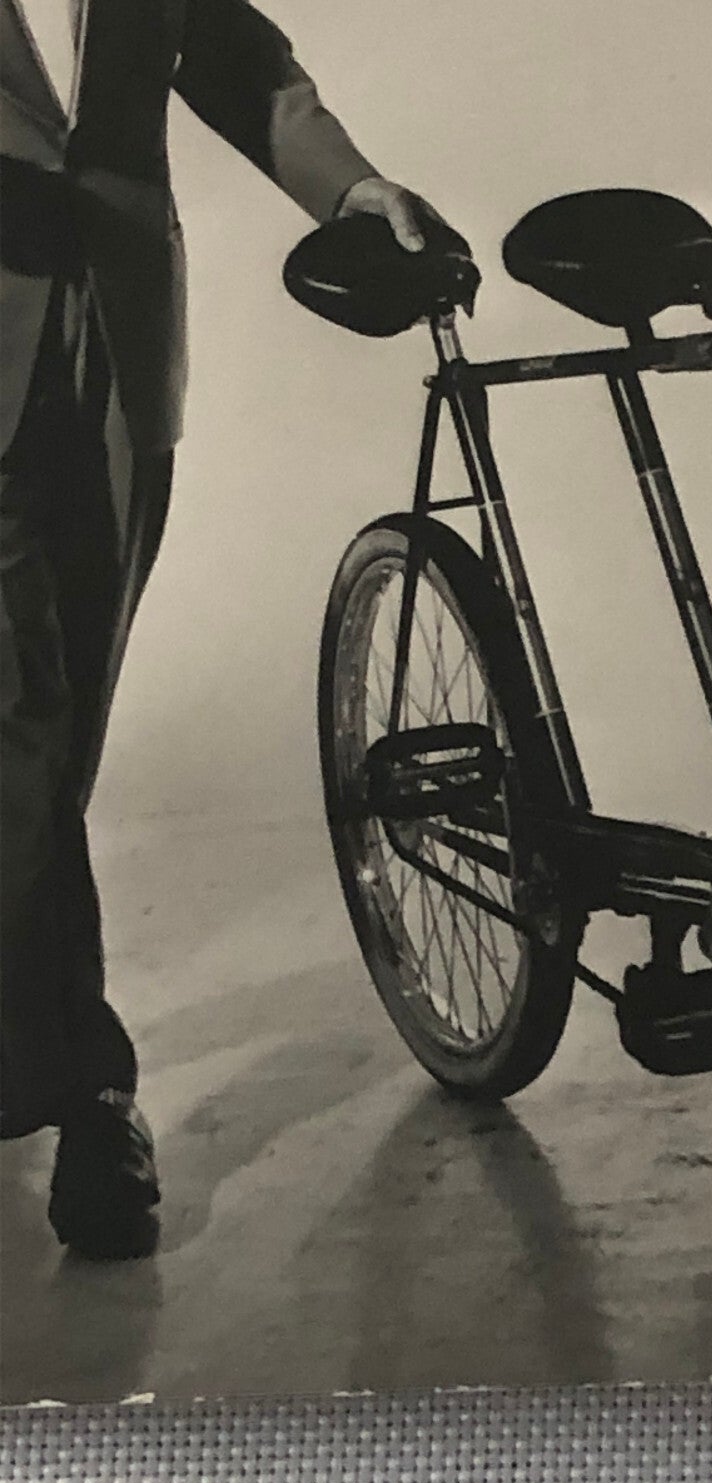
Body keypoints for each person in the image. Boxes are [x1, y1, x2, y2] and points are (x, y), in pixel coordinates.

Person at [0, 0, 445, 1257]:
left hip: (118, 371)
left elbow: (241, 66)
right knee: (15, 739)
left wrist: (350, 189)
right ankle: (87, 1093)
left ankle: (62, 1069)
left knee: (59, 736)